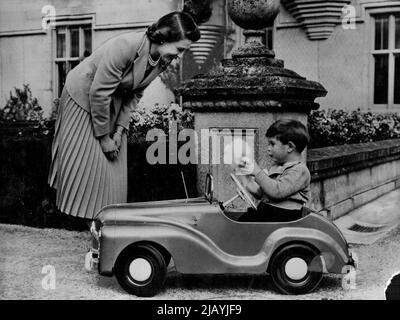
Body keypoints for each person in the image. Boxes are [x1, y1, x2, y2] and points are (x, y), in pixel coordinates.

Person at [48, 11, 200, 220]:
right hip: (83, 98)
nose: (179, 57)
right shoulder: (126, 46)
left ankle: (106, 225)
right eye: (180, 49)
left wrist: (119, 130)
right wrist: (103, 138)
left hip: (112, 101)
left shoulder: (162, 60)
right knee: (90, 168)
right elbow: (99, 92)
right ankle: (89, 226)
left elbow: (135, 94)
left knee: (114, 170)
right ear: (164, 38)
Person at [236, 119, 311, 222]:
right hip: (269, 213)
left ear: (289, 147)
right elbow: (261, 194)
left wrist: (258, 172)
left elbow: (277, 191)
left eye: (272, 144)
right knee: (238, 221)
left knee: (240, 225)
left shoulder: (300, 171)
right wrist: (246, 179)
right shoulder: (277, 167)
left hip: (284, 217)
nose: (268, 148)